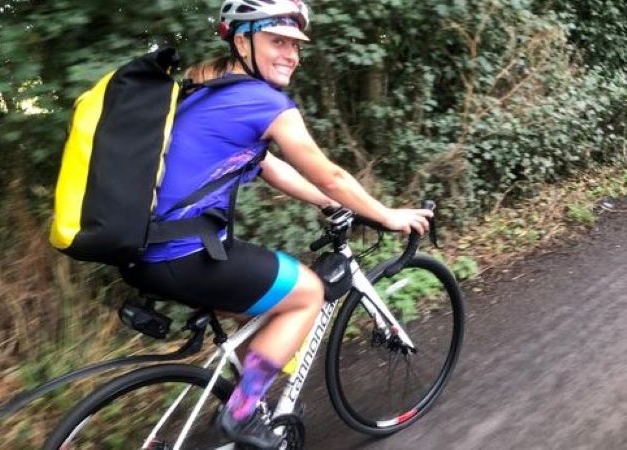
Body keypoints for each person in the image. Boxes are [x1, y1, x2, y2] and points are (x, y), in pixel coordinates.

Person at [121, 0, 433, 448]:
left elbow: (269, 165)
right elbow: (331, 173)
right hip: (185, 255)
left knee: (271, 305)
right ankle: (243, 414)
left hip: (146, 253)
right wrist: (385, 215)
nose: (292, 55)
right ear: (243, 40)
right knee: (308, 293)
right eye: (278, 41)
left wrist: (327, 203)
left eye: (296, 45)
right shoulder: (261, 100)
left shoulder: (206, 91)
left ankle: (249, 401)